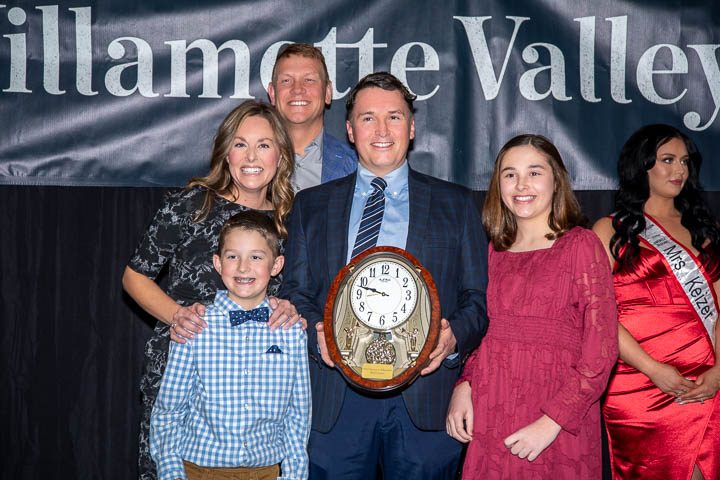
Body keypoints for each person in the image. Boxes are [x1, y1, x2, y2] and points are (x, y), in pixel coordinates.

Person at [280, 72, 488, 479]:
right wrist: (316, 332)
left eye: (393, 117)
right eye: (367, 117)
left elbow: (477, 300)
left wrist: (452, 338)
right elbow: (295, 292)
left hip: (424, 399)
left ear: (411, 128)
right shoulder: (311, 206)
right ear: (350, 128)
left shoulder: (457, 204)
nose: (381, 130)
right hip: (335, 398)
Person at [123, 100, 301, 480]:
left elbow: (299, 288)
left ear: (281, 155)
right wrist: (177, 315)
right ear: (225, 152)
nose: (252, 156)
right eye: (240, 144)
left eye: (264, 145)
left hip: (257, 388)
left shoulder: (291, 219)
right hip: (184, 371)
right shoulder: (193, 205)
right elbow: (134, 276)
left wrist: (290, 307)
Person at [446, 134, 618, 479]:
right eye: (510, 174)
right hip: (493, 406)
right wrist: (464, 385)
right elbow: (485, 332)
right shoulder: (492, 251)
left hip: (556, 418)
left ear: (557, 180)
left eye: (534, 173)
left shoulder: (580, 245)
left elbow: (602, 349)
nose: (521, 185)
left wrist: (553, 420)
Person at [593, 124, 720, 480]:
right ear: (642, 165)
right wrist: (653, 369)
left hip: (708, 382)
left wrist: (719, 372)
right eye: (667, 160)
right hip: (640, 384)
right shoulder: (609, 230)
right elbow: (599, 317)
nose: (679, 170)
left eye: (684, 161)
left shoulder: (705, 229)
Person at [150, 210, 310, 480]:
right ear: (218, 263)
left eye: (256, 257)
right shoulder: (195, 326)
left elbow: (298, 416)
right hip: (200, 470)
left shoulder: (291, 332)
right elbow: (169, 411)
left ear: (276, 265)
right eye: (232, 256)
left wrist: (294, 475)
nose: (243, 267)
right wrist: (172, 474)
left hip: (268, 471)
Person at [267, 43, 357, 191]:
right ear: (272, 93)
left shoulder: (355, 166)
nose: (297, 89)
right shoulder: (250, 164)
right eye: (286, 80)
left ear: (327, 92)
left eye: (309, 80)